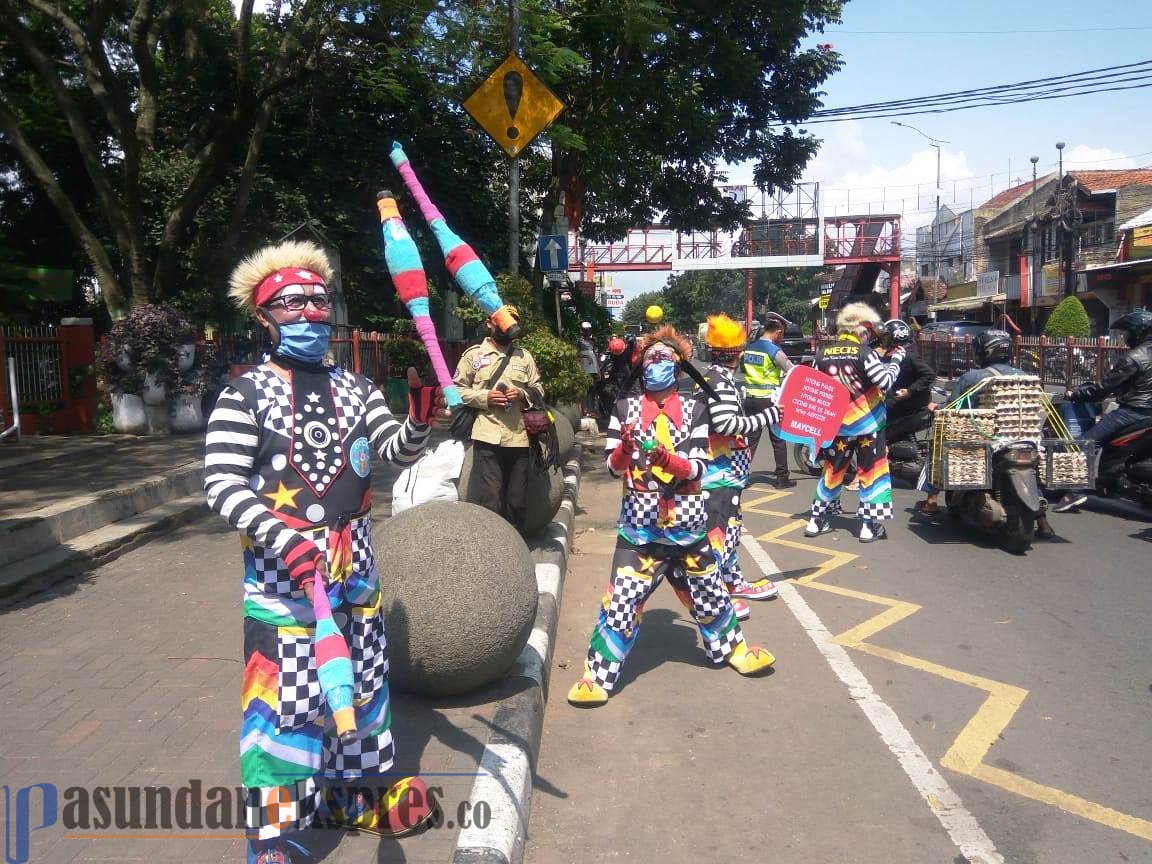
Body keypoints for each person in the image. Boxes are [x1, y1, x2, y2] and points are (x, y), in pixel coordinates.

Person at [204, 241, 447, 864]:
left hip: (355, 574)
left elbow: (390, 453)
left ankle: (357, 795)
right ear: (264, 316)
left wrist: (419, 420)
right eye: (292, 303)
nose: (310, 314)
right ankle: (272, 838)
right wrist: (285, 541)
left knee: (363, 688)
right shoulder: (244, 395)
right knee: (286, 704)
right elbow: (222, 484)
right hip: (284, 585)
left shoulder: (357, 388)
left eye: (318, 301)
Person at [566, 325, 775, 706]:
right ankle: (596, 675)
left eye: (664, 357)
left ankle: (733, 650)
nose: (656, 363)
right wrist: (626, 450)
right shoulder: (624, 408)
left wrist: (669, 461)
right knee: (621, 601)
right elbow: (613, 468)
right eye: (650, 358)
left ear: (679, 366)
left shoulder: (696, 408)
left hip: (688, 525)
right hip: (640, 529)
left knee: (710, 591)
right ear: (640, 366)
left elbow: (698, 468)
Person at [913, 329, 1055, 538]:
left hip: (987, 438)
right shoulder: (1024, 376)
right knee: (1033, 470)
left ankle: (931, 501)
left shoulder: (973, 377)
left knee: (937, 447)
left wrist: (938, 407)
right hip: (1026, 436)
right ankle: (1042, 522)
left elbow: (955, 407)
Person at [702, 314, 782, 617]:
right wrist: (770, 416)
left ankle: (733, 582)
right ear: (737, 353)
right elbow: (725, 424)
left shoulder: (717, 378)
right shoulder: (718, 382)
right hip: (717, 473)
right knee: (718, 533)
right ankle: (717, 596)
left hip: (727, 472)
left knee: (731, 529)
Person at [805, 303, 903, 543]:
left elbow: (816, 390)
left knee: (832, 471)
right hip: (869, 425)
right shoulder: (865, 353)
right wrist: (896, 361)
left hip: (837, 426)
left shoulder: (821, 356)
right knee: (870, 473)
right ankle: (867, 526)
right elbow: (885, 382)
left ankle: (816, 520)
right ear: (862, 331)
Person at [453, 306, 544, 533]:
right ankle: (493, 550)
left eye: (511, 324)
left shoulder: (524, 357)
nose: (505, 328)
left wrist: (522, 394)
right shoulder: (473, 355)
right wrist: (485, 397)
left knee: (517, 500)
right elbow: (456, 390)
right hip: (486, 435)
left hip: (519, 437)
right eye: (501, 322)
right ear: (490, 323)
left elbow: (539, 388)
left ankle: (515, 550)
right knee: (491, 499)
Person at [1053, 310, 1152, 512]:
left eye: (1127, 332)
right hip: (1145, 415)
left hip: (1133, 412)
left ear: (1138, 332)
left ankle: (1075, 492)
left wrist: (1075, 395)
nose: (1124, 337)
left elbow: (1103, 389)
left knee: (1081, 446)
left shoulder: (1134, 357)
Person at [742, 313, 795, 488]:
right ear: (778, 331)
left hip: (750, 399)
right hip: (769, 400)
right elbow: (791, 371)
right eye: (782, 333)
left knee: (751, 439)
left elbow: (744, 369)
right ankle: (782, 479)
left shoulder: (749, 348)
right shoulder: (774, 351)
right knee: (778, 439)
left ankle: (741, 476)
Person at [881, 318, 936, 444]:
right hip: (893, 407)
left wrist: (910, 391)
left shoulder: (907, 355)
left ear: (895, 337)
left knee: (882, 437)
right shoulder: (888, 355)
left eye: (886, 337)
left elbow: (929, 374)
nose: (883, 340)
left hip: (908, 410)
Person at [577, 321, 600, 416]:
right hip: (584, 370)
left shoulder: (592, 342)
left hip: (593, 370)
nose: (588, 332)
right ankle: (585, 410)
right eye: (586, 330)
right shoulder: (579, 341)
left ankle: (592, 410)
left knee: (593, 390)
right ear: (582, 331)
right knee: (585, 391)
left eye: (589, 330)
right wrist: (586, 357)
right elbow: (575, 353)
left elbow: (595, 356)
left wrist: (599, 370)